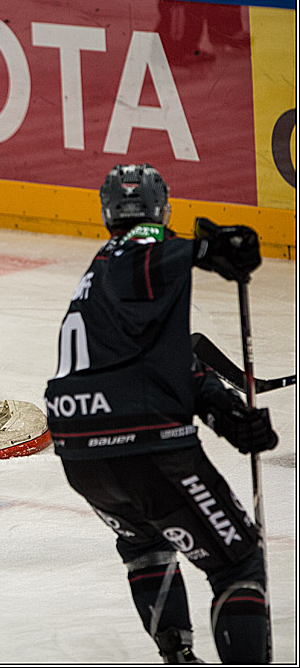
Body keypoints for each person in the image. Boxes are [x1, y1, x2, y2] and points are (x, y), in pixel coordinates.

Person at [44, 163, 278, 663]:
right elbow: (144, 258)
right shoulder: (133, 253)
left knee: (146, 543)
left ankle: (179, 656)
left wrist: (227, 416)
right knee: (238, 564)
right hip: (146, 449)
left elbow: (166, 364)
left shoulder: (93, 283)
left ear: (107, 212)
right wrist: (201, 250)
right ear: (162, 210)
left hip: (82, 458)